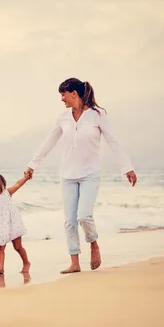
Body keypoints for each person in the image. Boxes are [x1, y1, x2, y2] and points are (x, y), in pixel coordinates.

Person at [24, 78, 137, 274]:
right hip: (67, 175)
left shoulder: (97, 116)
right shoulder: (63, 117)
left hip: (89, 174)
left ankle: (93, 244)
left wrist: (127, 167)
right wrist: (33, 164)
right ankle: (74, 262)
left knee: (84, 215)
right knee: (69, 220)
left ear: (74, 93)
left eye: (63, 94)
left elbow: (113, 142)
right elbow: (49, 141)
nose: (62, 99)